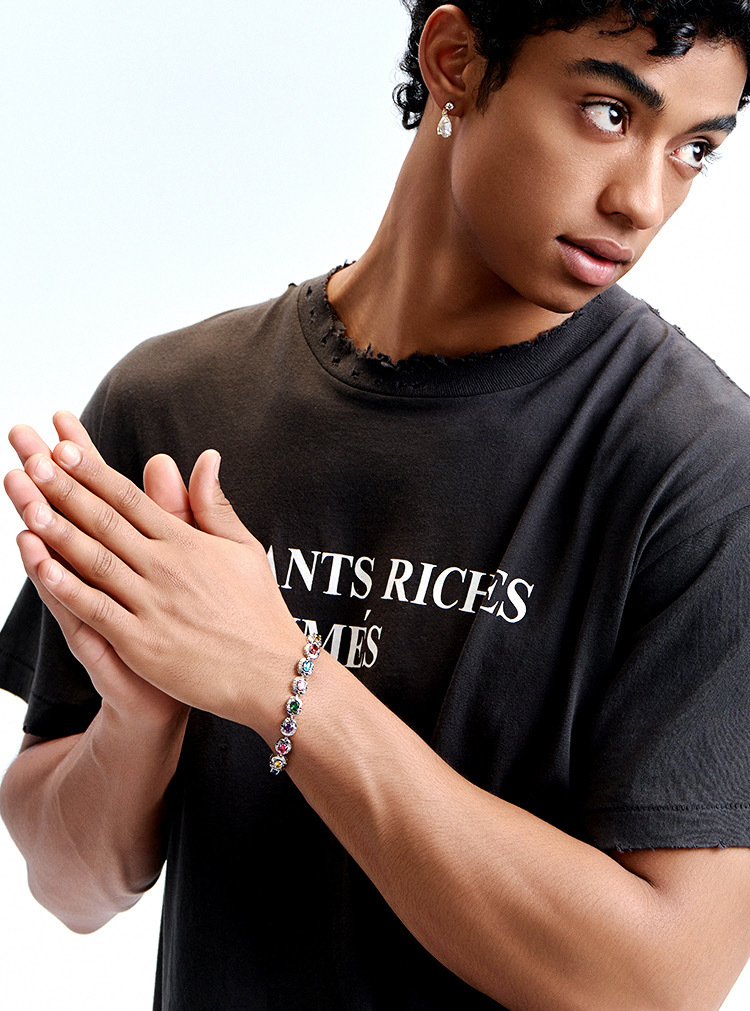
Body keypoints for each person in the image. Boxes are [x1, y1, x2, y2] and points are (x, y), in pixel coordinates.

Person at [2, 1, 750, 1007]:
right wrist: (137, 722)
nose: (643, 202)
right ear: (456, 61)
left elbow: (661, 983)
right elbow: (71, 889)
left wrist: (280, 677)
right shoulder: (175, 402)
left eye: (696, 149)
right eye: (608, 113)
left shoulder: (701, 473)